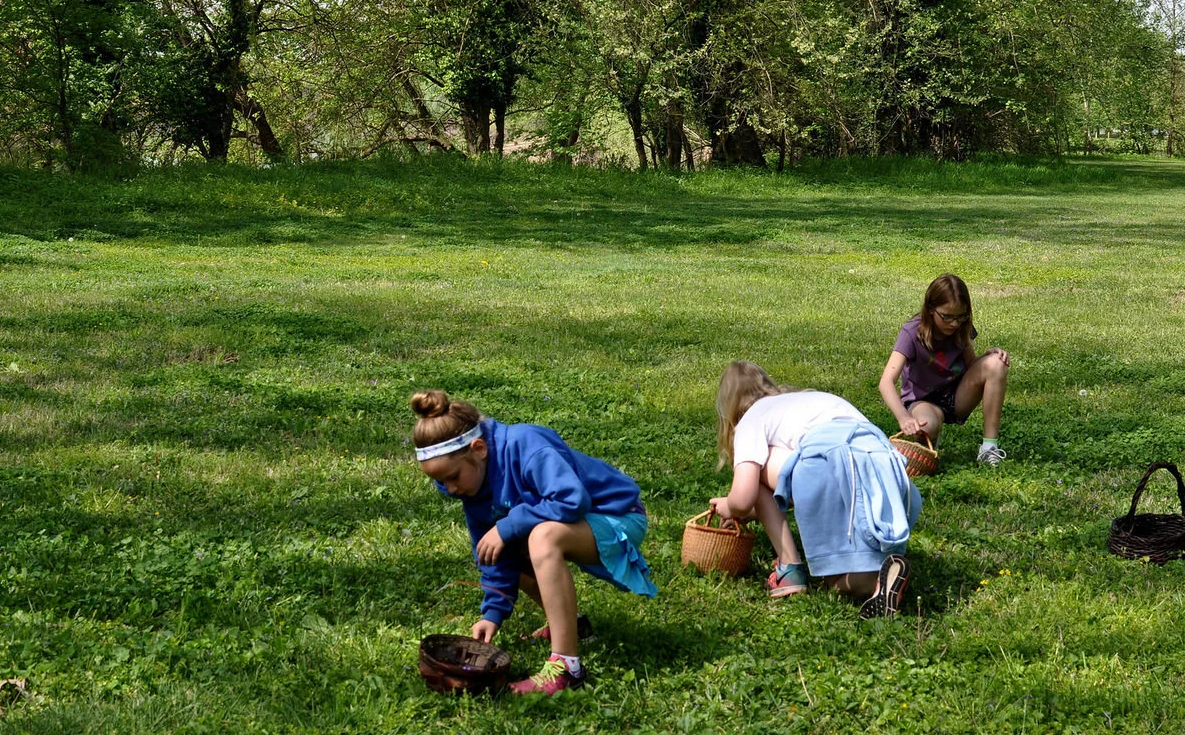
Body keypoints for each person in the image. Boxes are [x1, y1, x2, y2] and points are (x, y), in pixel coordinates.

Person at [410, 390, 657, 695]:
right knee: (513, 540)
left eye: (452, 476)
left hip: (617, 516)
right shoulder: (471, 490)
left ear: (479, 448)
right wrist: (492, 613)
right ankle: (572, 626)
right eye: (440, 483)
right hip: (574, 522)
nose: (450, 489)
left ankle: (566, 668)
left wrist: (508, 525)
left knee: (540, 537)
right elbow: (493, 556)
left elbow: (571, 499)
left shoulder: (526, 446)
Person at [709, 362, 920, 617]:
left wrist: (730, 507)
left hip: (828, 470)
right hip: (889, 473)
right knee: (865, 558)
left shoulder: (751, 418)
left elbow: (743, 498)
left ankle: (790, 568)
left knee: (835, 584)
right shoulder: (807, 402)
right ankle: (882, 576)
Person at [879, 273, 1011, 466]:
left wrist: (988, 358)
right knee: (927, 425)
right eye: (947, 317)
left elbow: (971, 366)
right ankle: (931, 436)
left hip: (956, 396)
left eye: (960, 317)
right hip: (923, 401)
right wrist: (904, 417)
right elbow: (886, 382)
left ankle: (989, 448)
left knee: (996, 363)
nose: (954, 323)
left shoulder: (961, 328)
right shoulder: (911, 332)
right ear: (931, 309)